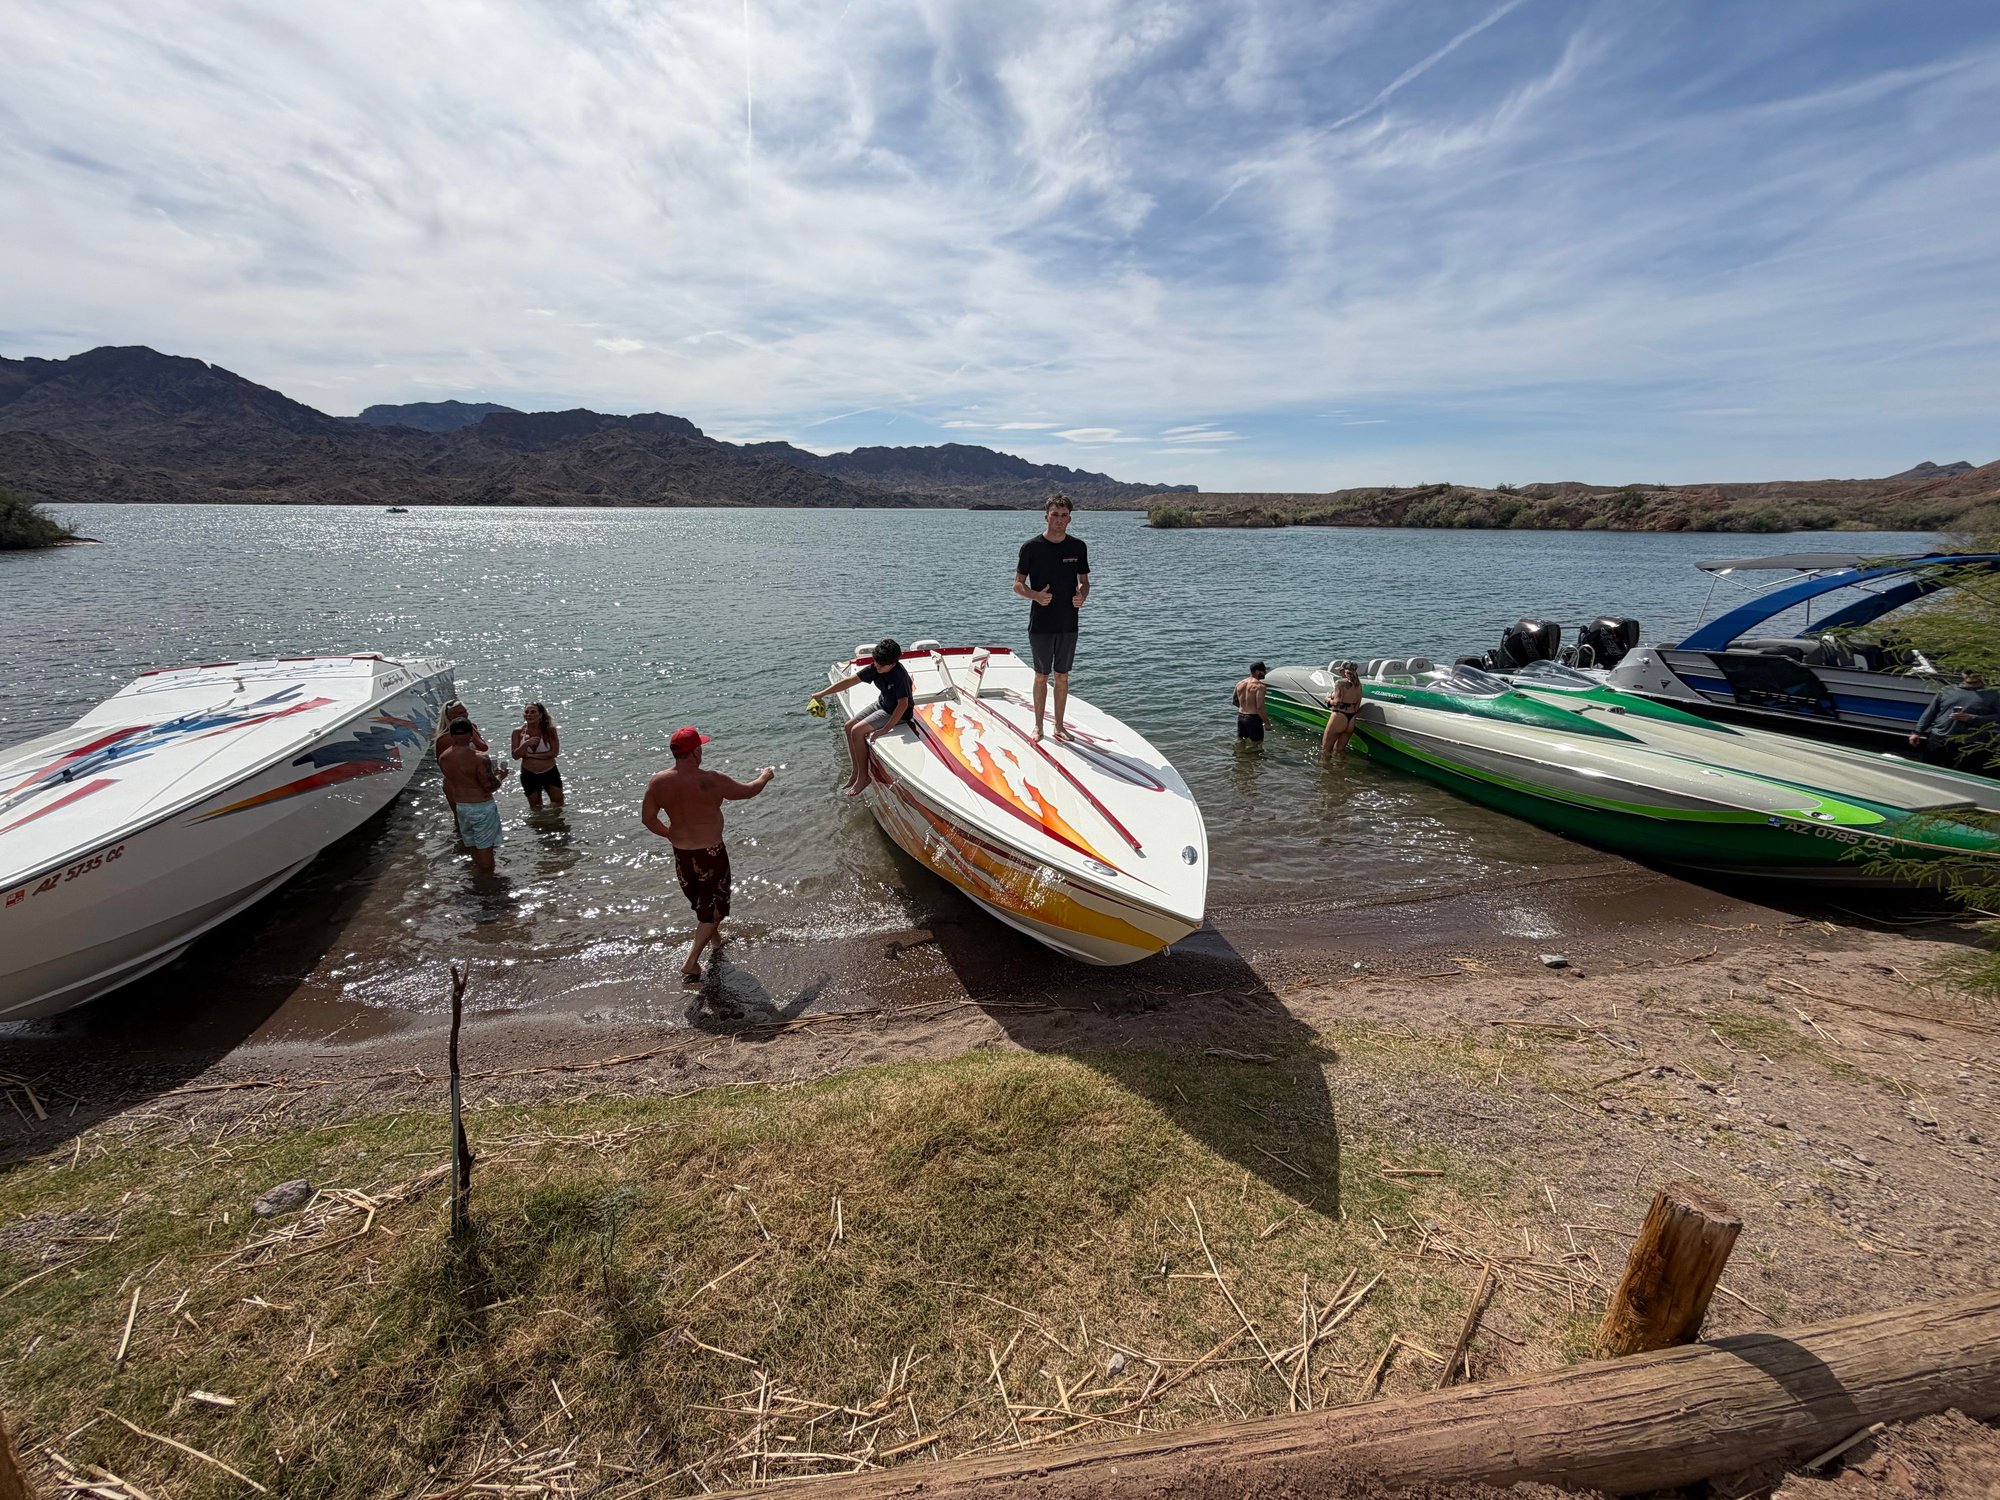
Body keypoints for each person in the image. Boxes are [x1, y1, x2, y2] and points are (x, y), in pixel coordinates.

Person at [640, 726, 775, 983]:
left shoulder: (658, 782)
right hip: (710, 854)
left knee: (702, 902)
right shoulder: (712, 779)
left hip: (682, 854)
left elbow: (648, 819)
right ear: (696, 752)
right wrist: (764, 776)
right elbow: (749, 790)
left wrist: (670, 834)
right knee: (715, 907)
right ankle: (691, 962)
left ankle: (715, 941)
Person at [1012, 492, 1090, 739]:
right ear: (1046, 517)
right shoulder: (1031, 548)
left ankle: (1059, 726)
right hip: (1041, 623)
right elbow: (1017, 584)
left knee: (1062, 676)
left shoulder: (1078, 547)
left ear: (1070, 519)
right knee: (1041, 676)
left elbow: (1084, 582)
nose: (1059, 519)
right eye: (1055, 514)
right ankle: (1038, 726)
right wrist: (1035, 596)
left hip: (1068, 622)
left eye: (1064, 515)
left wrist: (1082, 596)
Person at [821, 638, 913, 796]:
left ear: (893, 664)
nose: (877, 666)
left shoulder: (899, 675)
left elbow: (903, 704)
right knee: (848, 726)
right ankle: (856, 772)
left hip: (897, 713)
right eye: (876, 662)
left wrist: (885, 729)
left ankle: (864, 777)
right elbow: (849, 682)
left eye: (882, 665)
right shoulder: (876, 667)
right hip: (882, 704)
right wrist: (821, 694)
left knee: (857, 731)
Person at [437, 718, 507, 872]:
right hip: (481, 806)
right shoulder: (479, 758)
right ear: (471, 734)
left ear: (452, 735)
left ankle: (477, 877)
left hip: (462, 807)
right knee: (486, 848)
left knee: (473, 846)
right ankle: (488, 880)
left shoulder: (444, 757)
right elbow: (489, 787)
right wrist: (501, 776)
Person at [1908, 669, 2000, 762]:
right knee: (1929, 768)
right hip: (1938, 738)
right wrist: (1917, 732)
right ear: (1962, 673)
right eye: (1968, 672)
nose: (1970, 675)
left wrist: (1973, 718)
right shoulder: (1947, 690)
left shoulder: (1993, 694)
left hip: (1968, 743)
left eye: (1974, 672)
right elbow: (1930, 712)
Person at [511, 702, 564, 810]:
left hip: (549, 771)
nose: (529, 715)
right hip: (529, 773)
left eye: (533, 712)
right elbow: (515, 755)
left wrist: (530, 755)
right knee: (536, 808)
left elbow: (554, 753)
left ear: (540, 715)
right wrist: (525, 744)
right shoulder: (517, 732)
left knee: (558, 805)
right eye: (527, 712)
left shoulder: (550, 730)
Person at [1321, 662, 1364, 761]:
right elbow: (1357, 706)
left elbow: (1337, 702)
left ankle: (1324, 769)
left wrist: (1328, 700)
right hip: (1351, 718)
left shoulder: (1339, 683)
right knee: (1339, 751)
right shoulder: (1358, 684)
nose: (1339, 672)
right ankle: (1341, 768)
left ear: (1345, 671)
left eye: (1340, 670)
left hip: (1339, 716)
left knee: (1325, 750)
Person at [1233, 662, 1270, 743]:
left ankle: (1241, 752)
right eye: (1263, 671)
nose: (1265, 673)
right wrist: (1267, 723)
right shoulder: (1260, 686)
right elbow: (1260, 707)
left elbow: (1235, 701)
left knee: (1241, 741)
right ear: (1257, 672)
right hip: (1253, 719)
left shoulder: (1240, 683)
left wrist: (1245, 709)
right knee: (1257, 744)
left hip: (1241, 717)